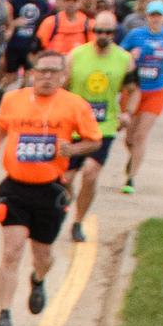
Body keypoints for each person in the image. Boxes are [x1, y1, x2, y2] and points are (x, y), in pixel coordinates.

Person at [0, 49, 101, 326]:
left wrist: (73, 150)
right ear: (32, 72)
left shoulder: (75, 105)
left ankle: (38, 279)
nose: (47, 77)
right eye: (42, 71)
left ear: (63, 76)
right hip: (14, 187)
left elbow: (94, 140)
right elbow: (1, 127)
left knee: (43, 255)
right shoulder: (14, 99)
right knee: (11, 252)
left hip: (50, 190)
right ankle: (4, 316)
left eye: (53, 72)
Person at [63, 14, 131, 243]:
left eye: (108, 32)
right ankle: (69, 203)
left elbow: (133, 88)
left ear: (115, 34)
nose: (103, 36)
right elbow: (62, 87)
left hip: (104, 126)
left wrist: (127, 111)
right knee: (65, 179)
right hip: (73, 127)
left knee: (91, 173)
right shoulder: (76, 55)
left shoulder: (124, 59)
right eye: (99, 31)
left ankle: (78, 222)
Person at [116, 0, 163, 190]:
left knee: (141, 136)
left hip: (156, 90)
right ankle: (133, 157)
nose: (155, 19)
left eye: (159, 15)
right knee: (129, 138)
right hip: (134, 89)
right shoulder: (136, 35)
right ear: (147, 17)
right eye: (152, 15)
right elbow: (119, 53)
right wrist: (130, 57)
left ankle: (131, 178)